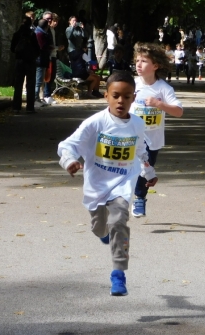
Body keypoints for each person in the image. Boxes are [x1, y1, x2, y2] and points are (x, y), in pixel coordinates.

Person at [57, 71, 158, 296]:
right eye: (116, 95)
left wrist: (148, 172)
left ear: (133, 98)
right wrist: (70, 161)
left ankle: (118, 275)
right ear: (106, 96)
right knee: (99, 228)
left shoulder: (137, 124)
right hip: (97, 187)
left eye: (126, 96)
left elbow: (141, 151)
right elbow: (67, 145)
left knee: (120, 222)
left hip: (123, 184)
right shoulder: (95, 123)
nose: (121, 101)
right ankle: (104, 233)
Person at [130, 43, 184, 218]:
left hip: (152, 140)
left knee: (146, 170)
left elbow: (178, 112)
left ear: (156, 66)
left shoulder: (163, 89)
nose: (139, 64)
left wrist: (159, 104)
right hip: (130, 136)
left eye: (144, 61)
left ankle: (139, 198)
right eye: (137, 60)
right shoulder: (131, 84)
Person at [10, 16, 40, 113]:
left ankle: (16, 107)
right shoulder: (32, 34)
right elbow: (37, 49)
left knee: (18, 84)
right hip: (30, 61)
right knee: (30, 84)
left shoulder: (17, 34)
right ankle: (30, 107)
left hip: (19, 61)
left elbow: (12, 48)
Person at [34, 18, 52, 107]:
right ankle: (35, 98)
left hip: (41, 59)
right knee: (38, 81)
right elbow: (43, 47)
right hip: (40, 60)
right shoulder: (40, 34)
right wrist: (50, 47)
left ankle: (38, 98)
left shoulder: (39, 32)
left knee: (40, 80)